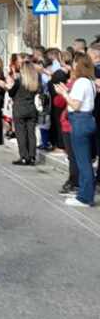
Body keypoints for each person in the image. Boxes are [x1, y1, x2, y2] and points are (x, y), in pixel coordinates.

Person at [54, 54, 96, 208]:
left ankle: (85, 197)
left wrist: (64, 94)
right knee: (84, 161)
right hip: (87, 119)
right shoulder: (90, 82)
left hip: (79, 120)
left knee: (82, 161)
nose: (72, 66)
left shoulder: (81, 82)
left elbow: (76, 105)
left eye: (74, 64)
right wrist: (66, 91)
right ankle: (85, 194)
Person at [3, 60, 40, 165]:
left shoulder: (19, 81)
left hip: (20, 109)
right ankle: (32, 157)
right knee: (31, 133)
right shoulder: (35, 81)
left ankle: (24, 156)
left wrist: (9, 86)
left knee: (21, 134)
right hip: (32, 108)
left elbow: (11, 93)